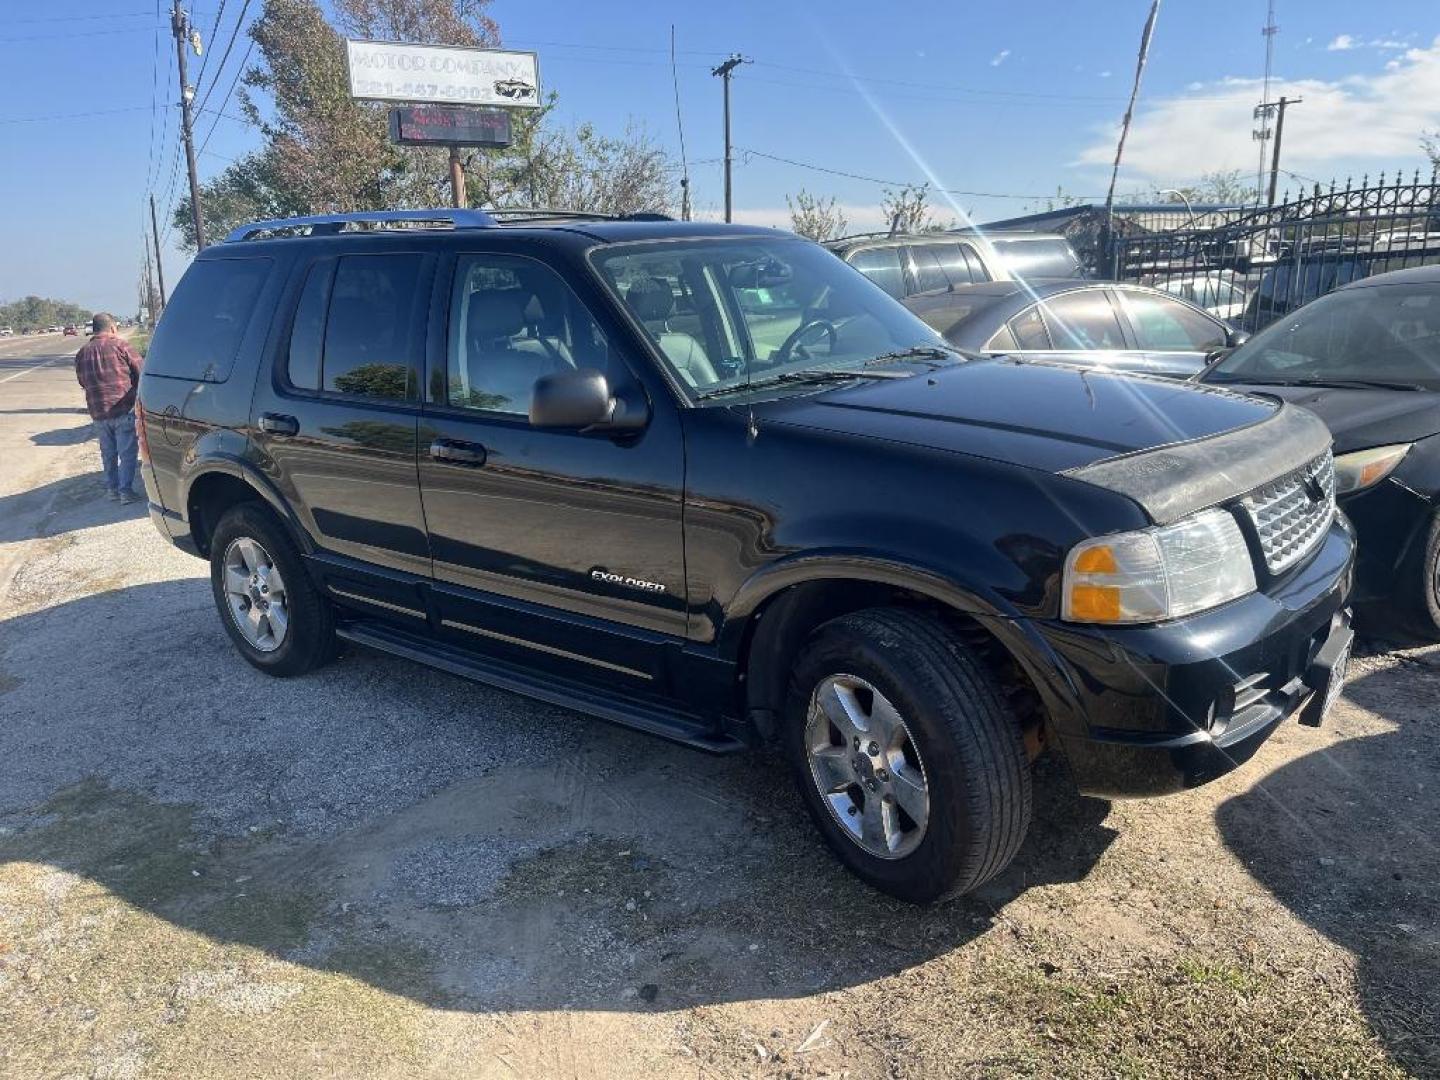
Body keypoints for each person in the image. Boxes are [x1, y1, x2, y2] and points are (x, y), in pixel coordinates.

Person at [74, 312, 143, 504]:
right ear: (112, 327)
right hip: (123, 409)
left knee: (108, 454)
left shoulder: (82, 353)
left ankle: (112, 490)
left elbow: (82, 381)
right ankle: (125, 492)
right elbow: (141, 373)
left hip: (98, 413)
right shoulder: (122, 346)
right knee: (127, 453)